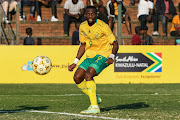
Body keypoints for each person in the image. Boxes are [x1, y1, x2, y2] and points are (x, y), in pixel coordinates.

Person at [68, 6, 119, 113]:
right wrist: (75, 62)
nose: (90, 16)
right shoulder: (82, 26)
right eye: (88, 14)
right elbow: (82, 45)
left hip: (103, 55)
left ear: (96, 14)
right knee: (77, 78)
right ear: (85, 15)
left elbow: (115, 43)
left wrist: (111, 57)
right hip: (90, 56)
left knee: (88, 74)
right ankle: (94, 97)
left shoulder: (103, 26)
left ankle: (94, 107)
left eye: (92, 14)